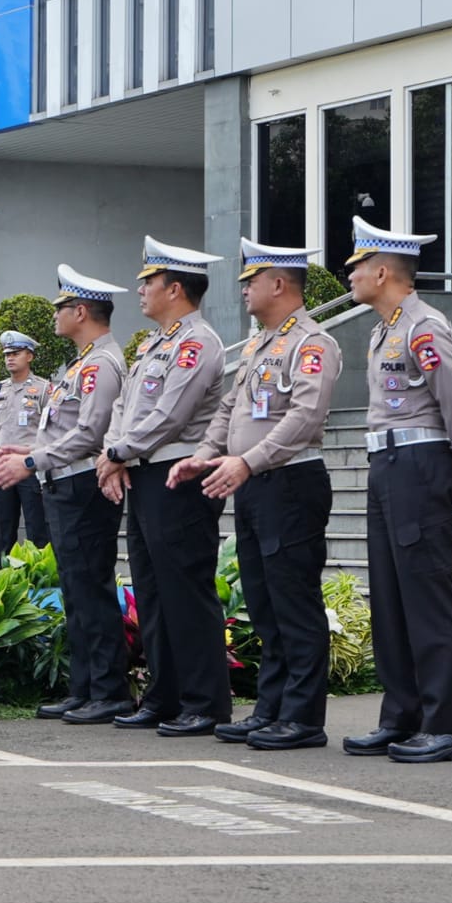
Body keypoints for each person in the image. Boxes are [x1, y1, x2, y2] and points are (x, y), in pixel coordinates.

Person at [168, 238, 341, 752]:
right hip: (255, 483)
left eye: (251, 281)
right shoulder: (258, 345)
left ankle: (303, 718)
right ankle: (271, 708)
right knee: (264, 603)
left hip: (290, 482)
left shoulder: (313, 344)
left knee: (293, 601)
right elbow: (228, 411)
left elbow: (304, 417)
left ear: (279, 284)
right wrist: (205, 453)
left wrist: (248, 460)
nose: (243, 290)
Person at [343, 215, 452, 763]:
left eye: (356, 266)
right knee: (392, 600)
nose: (349, 274)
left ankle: (447, 726)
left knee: (427, 596)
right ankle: (402, 716)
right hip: (388, 463)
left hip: (420, 462)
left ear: (383, 271)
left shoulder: (424, 326)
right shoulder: (384, 327)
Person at [98, 237, 231, 736]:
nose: (139, 290)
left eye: (148, 282)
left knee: (185, 591)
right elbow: (123, 409)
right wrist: (114, 451)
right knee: (152, 591)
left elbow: (168, 415)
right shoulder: (154, 343)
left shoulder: (198, 344)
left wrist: (115, 453)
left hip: (179, 475)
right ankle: (164, 695)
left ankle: (204, 701)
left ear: (175, 289)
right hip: (145, 472)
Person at [0, 267, 132, 724]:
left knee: (92, 589)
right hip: (64, 482)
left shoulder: (101, 365)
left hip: (83, 483)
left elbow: (90, 432)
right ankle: (85, 688)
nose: (55, 316)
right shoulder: (80, 363)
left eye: (61, 308)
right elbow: (67, 431)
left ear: (81, 311)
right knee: (75, 592)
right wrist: (29, 449)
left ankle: (110, 692)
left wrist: (31, 462)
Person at [0, 330, 52, 553]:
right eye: (7, 354)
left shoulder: (43, 389)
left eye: (16, 353)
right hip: (3, 467)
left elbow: (49, 431)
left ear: (30, 356)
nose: (10, 358)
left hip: (30, 465)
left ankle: (40, 578)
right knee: (2, 527)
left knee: (37, 527)